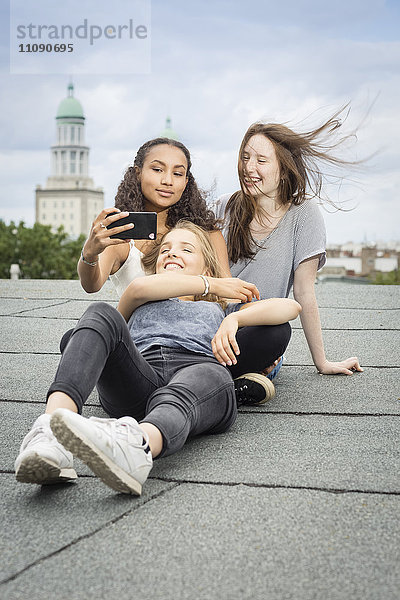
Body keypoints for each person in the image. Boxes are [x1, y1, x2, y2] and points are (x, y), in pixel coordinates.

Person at [15, 222, 301, 495]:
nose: (172, 253)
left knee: (214, 374)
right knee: (99, 313)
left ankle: (137, 446)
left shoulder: (219, 307)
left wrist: (235, 319)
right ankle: (49, 435)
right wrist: (210, 284)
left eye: (187, 250)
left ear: (208, 265)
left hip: (195, 377)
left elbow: (290, 308)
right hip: (139, 377)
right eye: (165, 249)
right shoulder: (142, 295)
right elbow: (136, 290)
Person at [212, 111, 364, 376]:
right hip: (212, 330)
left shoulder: (304, 214)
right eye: (245, 157)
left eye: (261, 160)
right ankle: (227, 384)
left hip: (255, 332)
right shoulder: (224, 206)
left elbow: (304, 292)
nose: (249, 168)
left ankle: (225, 380)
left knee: (277, 333)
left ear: (283, 170)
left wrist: (323, 362)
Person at [78, 137, 231, 297]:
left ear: (186, 182)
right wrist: (89, 253)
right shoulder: (122, 236)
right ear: (138, 173)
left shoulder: (208, 235)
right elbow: (91, 285)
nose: (167, 181)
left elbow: (229, 293)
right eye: (157, 170)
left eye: (177, 173)